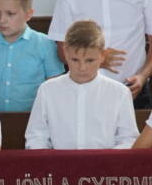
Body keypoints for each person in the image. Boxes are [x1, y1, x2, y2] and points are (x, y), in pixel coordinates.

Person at [25, 20, 138, 150]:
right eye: (75, 60)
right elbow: (36, 136)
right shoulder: (47, 90)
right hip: (59, 162)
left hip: (106, 162)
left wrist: (108, 160)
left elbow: (128, 139)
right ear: (65, 52)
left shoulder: (120, 92)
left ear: (102, 55)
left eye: (89, 60)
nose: (82, 68)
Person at [0, 0, 63, 112]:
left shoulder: (45, 44)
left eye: (10, 14)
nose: (2, 20)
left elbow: (56, 89)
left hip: (33, 118)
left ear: (28, 14)